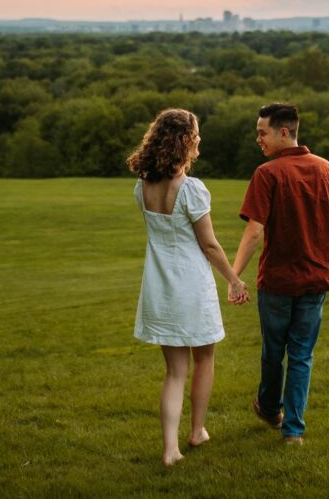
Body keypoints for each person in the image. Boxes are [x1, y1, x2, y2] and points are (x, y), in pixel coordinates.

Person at [127, 108, 250, 467]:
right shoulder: (191, 189)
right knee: (205, 358)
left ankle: (170, 450)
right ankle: (196, 432)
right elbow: (209, 245)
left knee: (174, 372)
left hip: (160, 287)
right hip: (192, 285)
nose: (199, 140)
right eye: (196, 134)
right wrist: (234, 279)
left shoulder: (143, 185)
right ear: (184, 140)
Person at [230, 103, 329, 446]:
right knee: (302, 354)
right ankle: (293, 431)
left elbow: (254, 231)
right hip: (316, 278)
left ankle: (268, 408)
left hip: (278, 280)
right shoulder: (325, 168)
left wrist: (233, 276)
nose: (258, 139)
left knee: (273, 351)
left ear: (283, 132)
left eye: (262, 132)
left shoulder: (267, 173)